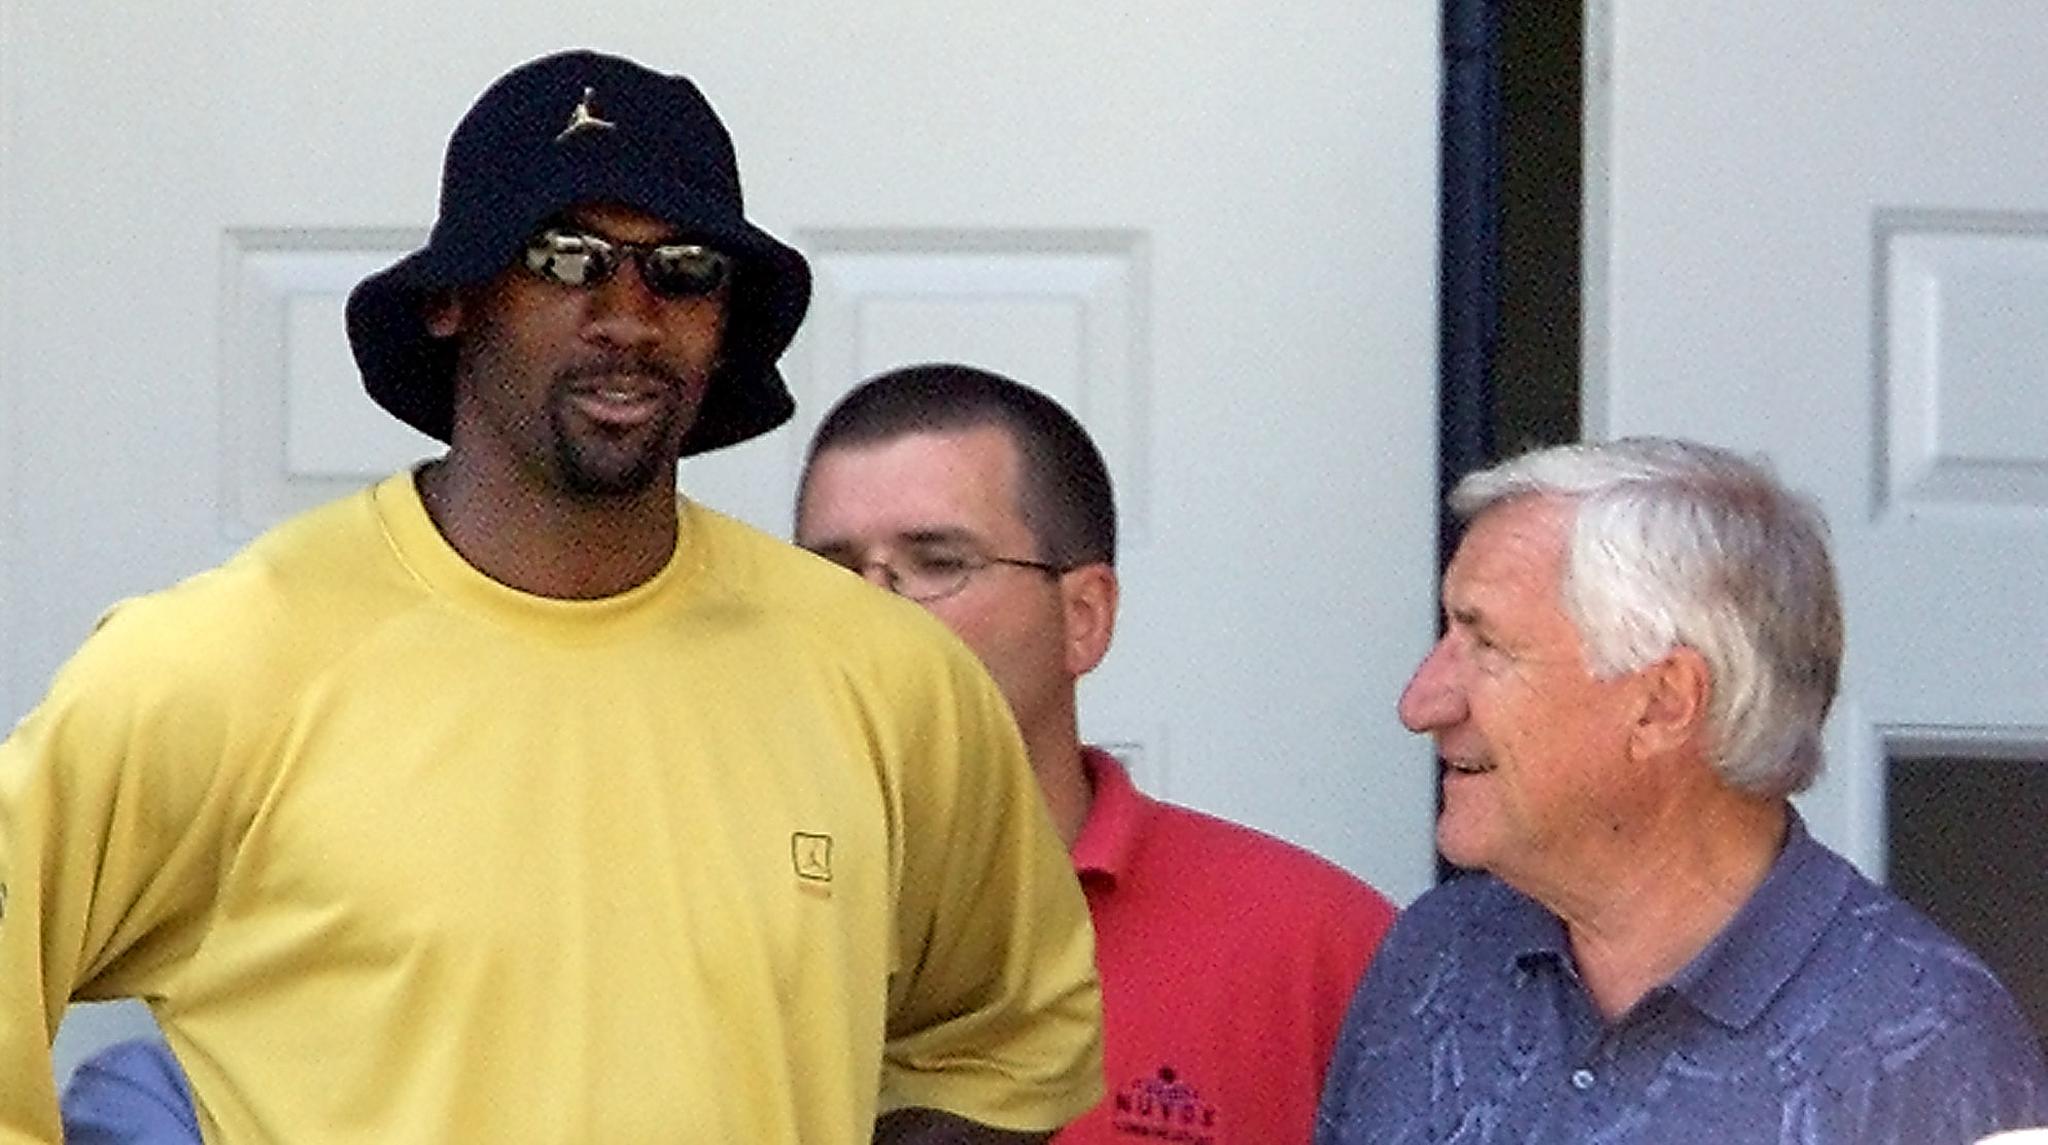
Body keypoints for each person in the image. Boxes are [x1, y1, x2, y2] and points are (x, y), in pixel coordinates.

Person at [2, 49, 1104, 1143]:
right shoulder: (224, 658)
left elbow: (1004, 1041)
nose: (627, 313)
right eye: (565, 259)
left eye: (680, 268)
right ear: (451, 298)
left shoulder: (885, 675)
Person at [1314, 437, 2048, 1143]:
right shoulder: (1439, 957)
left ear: (1665, 701)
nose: (1423, 703)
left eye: (1489, 646)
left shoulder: (1920, 1043)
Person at [795, 362, 1399, 1143]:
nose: (869, 615)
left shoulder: (1315, 946)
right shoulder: (707, 909)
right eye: (828, 574)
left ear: (1084, 615)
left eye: (938, 563)